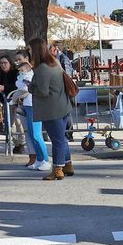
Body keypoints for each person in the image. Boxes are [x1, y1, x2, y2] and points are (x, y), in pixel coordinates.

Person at [29, 38, 75, 180]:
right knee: (62, 138)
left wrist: (31, 87)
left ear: (35, 50)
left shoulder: (42, 68)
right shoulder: (54, 62)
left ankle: (57, 169)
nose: (28, 51)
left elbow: (42, 91)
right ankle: (67, 165)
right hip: (63, 105)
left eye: (30, 49)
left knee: (57, 140)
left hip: (51, 109)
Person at [14, 51, 49, 171]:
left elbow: (24, 87)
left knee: (36, 134)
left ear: (27, 60)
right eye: (17, 60)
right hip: (27, 105)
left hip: (34, 105)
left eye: (20, 59)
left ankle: (45, 159)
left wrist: (21, 82)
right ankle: (39, 159)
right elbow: (20, 85)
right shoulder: (23, 75)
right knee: (32, 134)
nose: (18, 62)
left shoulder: (31, 74)